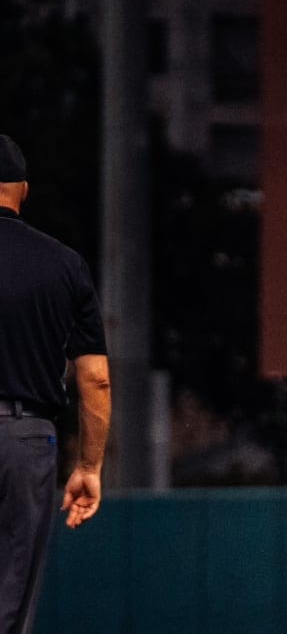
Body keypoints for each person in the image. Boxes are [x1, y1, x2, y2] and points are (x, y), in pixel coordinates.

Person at [0, 134, 112, 634]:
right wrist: (88, 465)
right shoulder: (64, 264)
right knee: (10, 595)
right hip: (23, 439)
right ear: (22, 189)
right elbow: (96, 377)